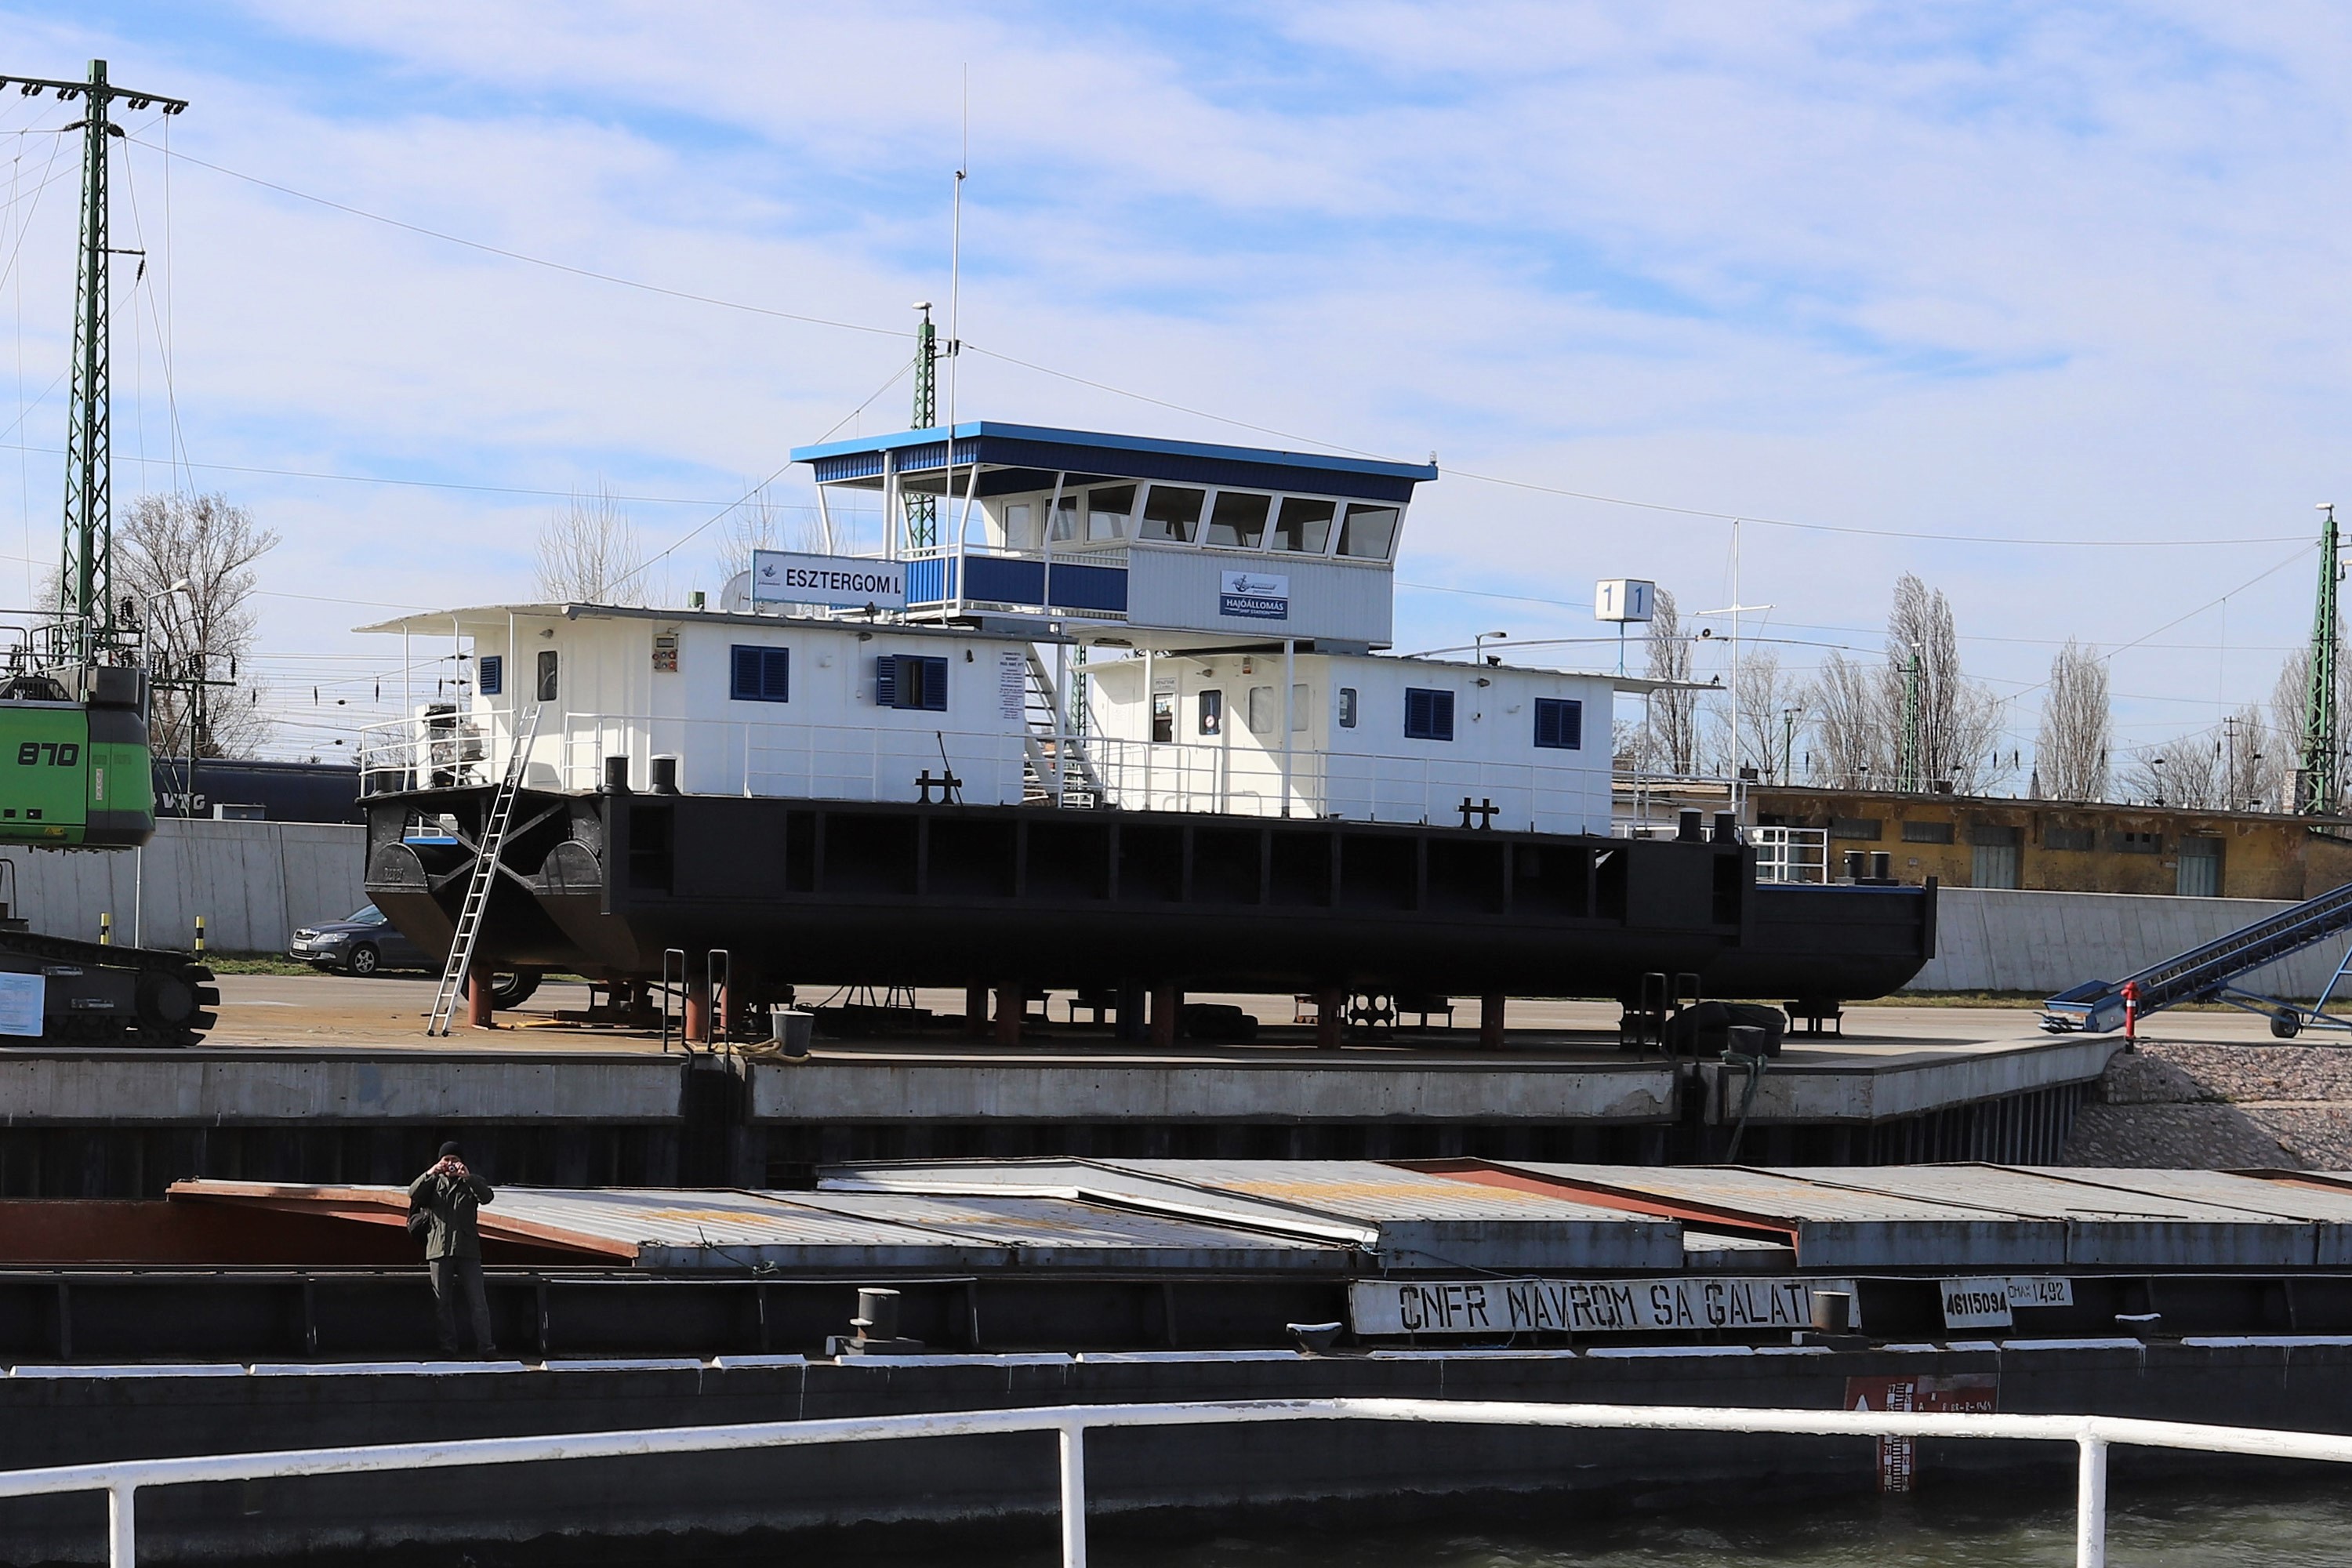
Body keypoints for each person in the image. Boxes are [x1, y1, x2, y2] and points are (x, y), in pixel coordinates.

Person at [408, 1141, 497, 1355]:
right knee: (442, 1303)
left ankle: (486, 1346)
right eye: (446, 1160)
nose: (450, 1164)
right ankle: (448, 1346)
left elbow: (487, 1197)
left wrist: (468, 1177)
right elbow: (413, 1193)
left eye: (454, 1160)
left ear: (462, 1162)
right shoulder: (433, 1183)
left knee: (478, 1302)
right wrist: (430, 1172)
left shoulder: (471, 1182)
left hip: (468, 1251)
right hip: (439, 1250)